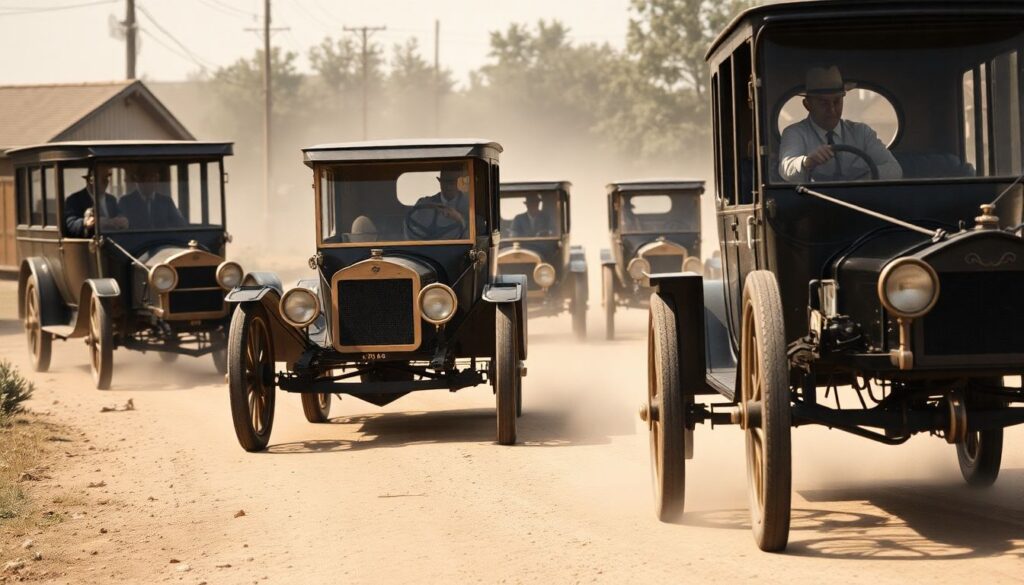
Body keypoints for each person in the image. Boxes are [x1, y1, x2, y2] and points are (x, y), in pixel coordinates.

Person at [779, 65, 902, 183]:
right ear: (807, 105)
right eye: (823, 103)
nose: (832, 110)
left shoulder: (862, 133)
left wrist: (861, 181)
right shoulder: (795, 133)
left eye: (837, 101)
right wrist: (807, 162)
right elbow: (786, 169)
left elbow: (894, 170)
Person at [406, 168, 470, 239]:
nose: (448, 186)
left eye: (452, 182)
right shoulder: (424, 204)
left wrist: (460, 219)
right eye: (445, 182)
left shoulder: (470, 205)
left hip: (460, 248)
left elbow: (476, 234)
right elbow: (409, 225)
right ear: (439, 181)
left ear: (459, 182)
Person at [119, 164, 187, 230]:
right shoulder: (126, 201)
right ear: (137, 179)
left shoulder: (166, 201)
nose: (148, 182)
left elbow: (180, 224)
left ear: (157, 179)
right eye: (144, 178)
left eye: (153, 178)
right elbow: (121, 227)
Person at [64, 170, 127, 237]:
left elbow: (119, 216)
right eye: (103, 179)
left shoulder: (111, 199)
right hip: (90, 244)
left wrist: (122, 220)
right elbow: (70, 225)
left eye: (107, 178)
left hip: (112, 244)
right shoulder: (75, 199)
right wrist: (85, 222)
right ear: (91, 180)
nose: (106, 182)